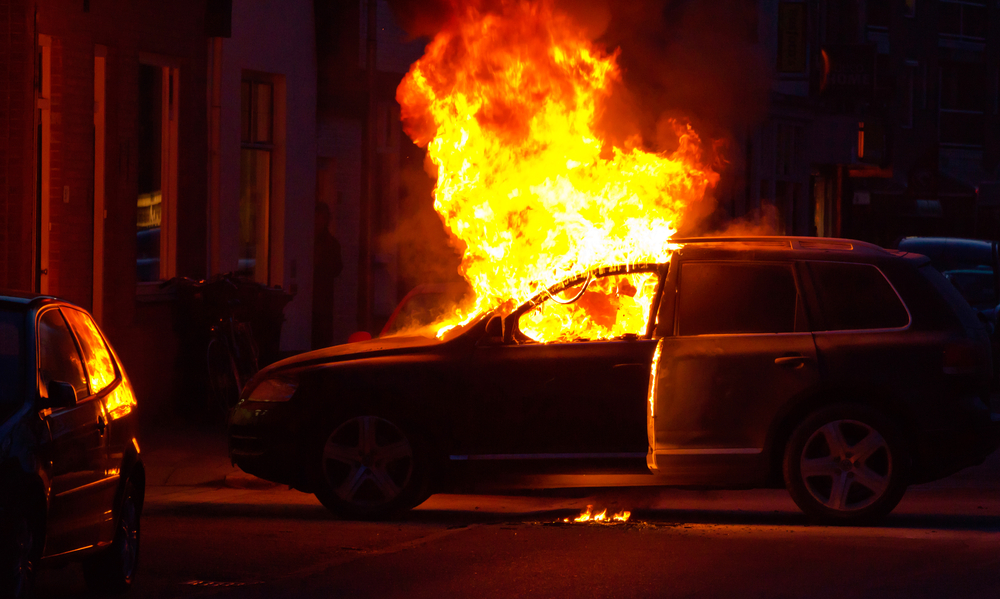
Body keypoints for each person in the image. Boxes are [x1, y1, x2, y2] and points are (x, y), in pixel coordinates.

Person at [312, 201, 343, 348]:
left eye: (321, 217)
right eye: (316, 217)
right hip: (312, 299)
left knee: (322, 337)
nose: (318, 221)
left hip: (322, 301)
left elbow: (337, 268)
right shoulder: (306, 242)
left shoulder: (331, 244)